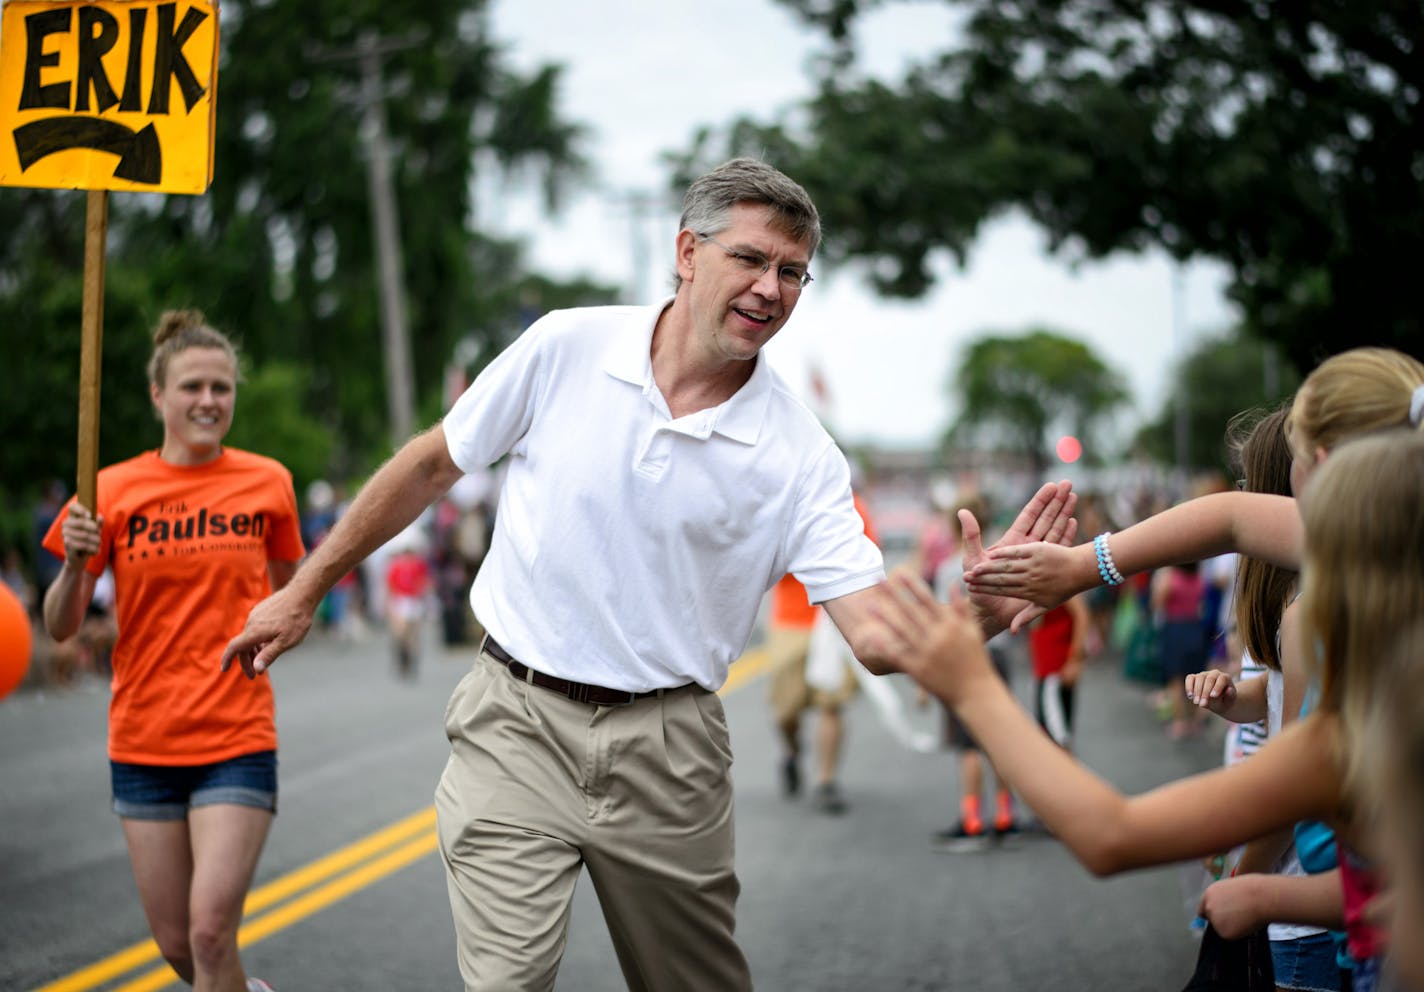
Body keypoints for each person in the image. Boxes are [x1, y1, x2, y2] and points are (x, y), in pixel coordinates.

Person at [220, 158, 1078, 992]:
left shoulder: (802, 454)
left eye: (793, 272)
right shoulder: (565, 345)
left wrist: (979, 616)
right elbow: (431, 466)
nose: (770, 289)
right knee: (506, 981)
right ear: (687, 253)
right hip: (514, 720)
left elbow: (875, 637)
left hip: (670, 754)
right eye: (749, 258)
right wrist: (303, 590)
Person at [880, 427, 1424, 992]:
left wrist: (970, 684)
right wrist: (1271, 893)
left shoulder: (1334, 739)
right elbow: (1378, 887)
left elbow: (1112, 835)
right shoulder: (1385, 703)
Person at [42, 310, 304, 992]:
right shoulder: (110, 491)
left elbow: (291, 597)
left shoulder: (268, 483)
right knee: (177, 946)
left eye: (222, 388)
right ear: (158, 395)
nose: (209, 401)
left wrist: (274, 633)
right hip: (143, 741)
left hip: (236, 734)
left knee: (212, 933)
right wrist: (73, 566)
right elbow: (61, 627)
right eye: (192, 387)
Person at [767, 490, 879, 815]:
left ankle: (826, 781)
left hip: (834, 619)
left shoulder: (852, 505)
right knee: (785, 710)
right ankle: (791, 751)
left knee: (832, 702)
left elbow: (866, 557)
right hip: (791, 621)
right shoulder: (782, 500)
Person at [928, 492, 1019, 846]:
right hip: (999, 655)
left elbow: (941, 621)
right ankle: (1005, 812)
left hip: (965, 655)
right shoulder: (1000, 560)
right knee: (999, 737)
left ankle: (971, 818)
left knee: (967, 744)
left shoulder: (950, 567)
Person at [1152, 560, 1208, 740]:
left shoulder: (1171, 577)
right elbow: (1202, 605)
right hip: (1195, 628)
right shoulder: (1199, 578)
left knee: (1176, 679)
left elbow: (1158, 602)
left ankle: (1179, 722)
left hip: (1175, 628)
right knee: (1194, 676)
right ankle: (1193, 720)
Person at [1027, 594, 1088, 752]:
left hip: (1054, 669)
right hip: (1046, 668)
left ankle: (1067, 777)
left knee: (1057, 739)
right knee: (1052, 735)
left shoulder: (1058, 574)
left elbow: (1082, 615)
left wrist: (1075, 659)